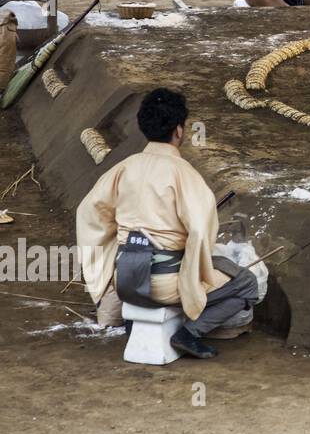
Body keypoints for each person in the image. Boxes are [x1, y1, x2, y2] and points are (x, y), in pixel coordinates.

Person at [76, 88, 260, 359]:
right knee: (246, 282)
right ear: (179, 130)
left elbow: (89, 213)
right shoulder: (184, 174)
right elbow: (201, 232)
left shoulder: (124, 168)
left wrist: (116, 251)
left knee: (167, 260)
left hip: (124, 280)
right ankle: (190, 333)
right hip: (164, 284)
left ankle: (134, 319)